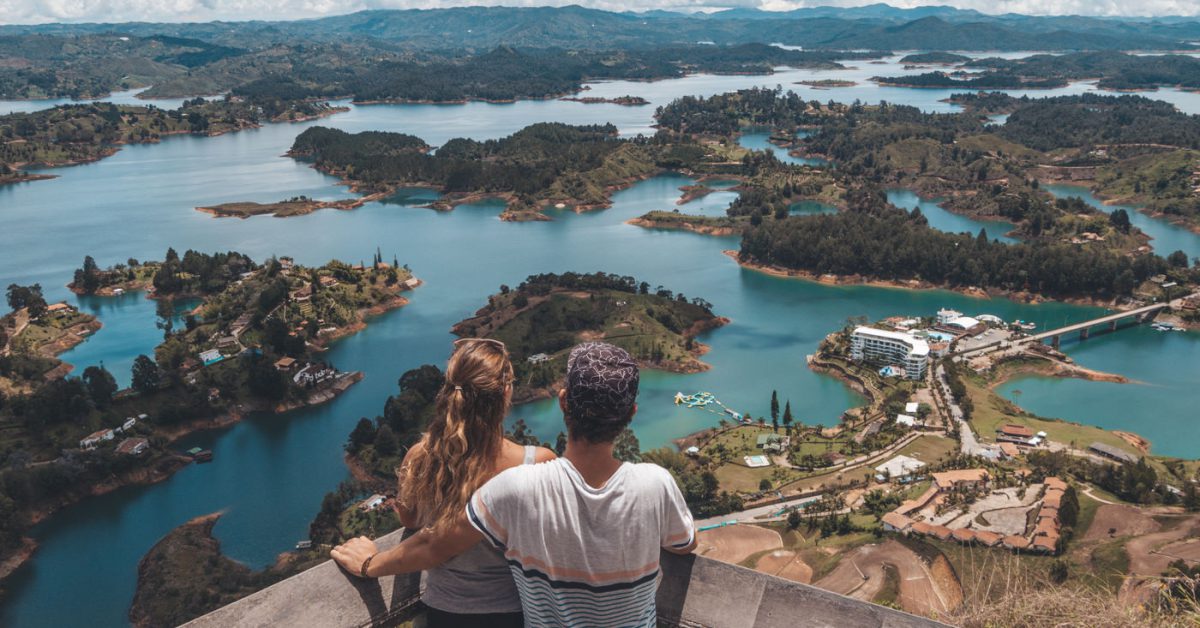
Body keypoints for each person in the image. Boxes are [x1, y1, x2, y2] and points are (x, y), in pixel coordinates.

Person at [332, 342, 697, 628]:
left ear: (563, 401)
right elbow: (685, 545)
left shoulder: (515, 488)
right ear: (631, 414)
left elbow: (433, 543)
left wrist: (369, 565)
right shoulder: (657, 483)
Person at [334, 338, 554, 628]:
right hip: (516, 612)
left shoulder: (419, 458)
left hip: (444, 613)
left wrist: (369, 563)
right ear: (506, 393)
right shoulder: (537, 463)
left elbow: (410, 519)